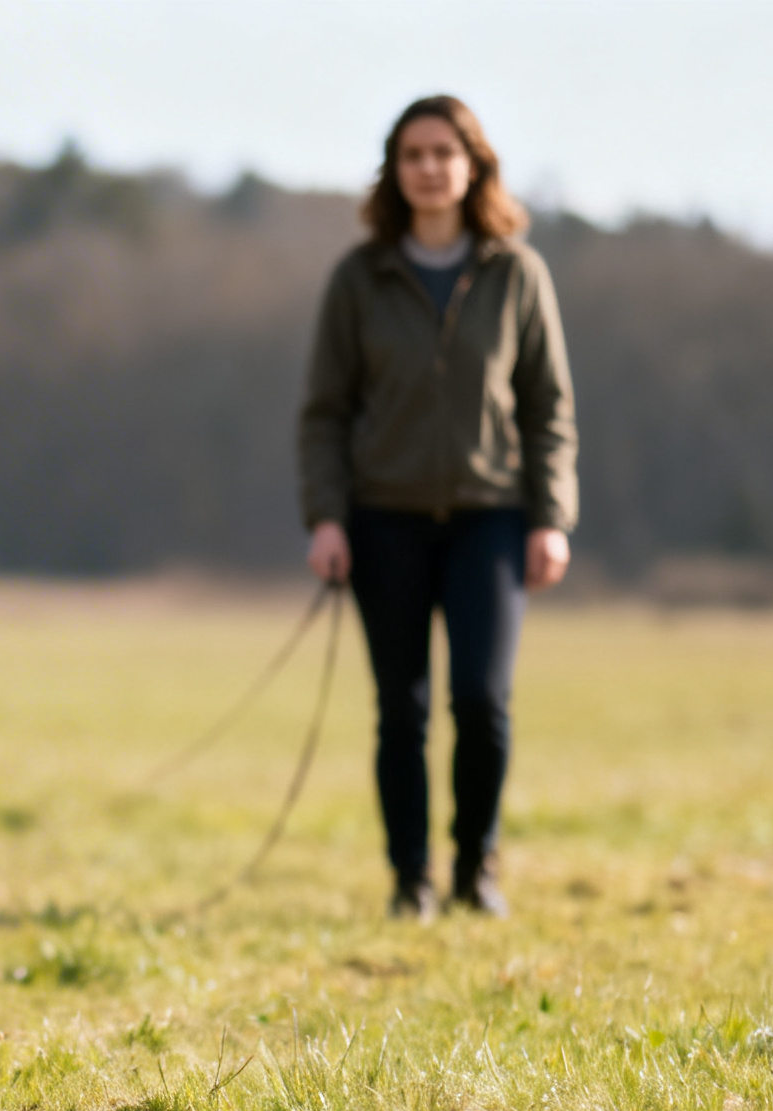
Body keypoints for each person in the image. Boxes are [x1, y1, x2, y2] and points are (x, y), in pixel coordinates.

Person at [295, 95, 577, 920]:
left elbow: (548, 407)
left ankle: (476, 871)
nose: (428, 167)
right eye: (412, 154)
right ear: (395, 169)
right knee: (402, 711)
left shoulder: (517, 274)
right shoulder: (359, 279)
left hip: (491, 517)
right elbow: (325, 413)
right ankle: (410, 881)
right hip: (384, 518)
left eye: (443, 153)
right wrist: (327, 518)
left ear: (472, 165)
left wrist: (551, 518)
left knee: (482, 703)